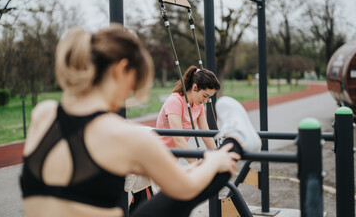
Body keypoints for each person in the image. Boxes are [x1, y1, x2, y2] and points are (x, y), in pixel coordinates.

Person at [19, 24, 255, 217]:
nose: (128, 94)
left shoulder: (44, 114)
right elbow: (186, 188)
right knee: (204, 176)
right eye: (133, 84)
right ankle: (236, 141)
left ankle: (228, 148)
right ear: (122, 70)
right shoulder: (129, 137)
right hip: (168, 165)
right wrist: (214, 162)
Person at [156, 66, 220, 162]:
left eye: (209, 97)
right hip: (157, 155)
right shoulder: (175, 101)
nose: (206, 101)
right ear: (195, 87)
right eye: (205, 96)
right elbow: (179, 141)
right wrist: (197, 165)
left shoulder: (198, 105)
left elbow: (206, 135)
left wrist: (218, 157)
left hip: (172, 157)